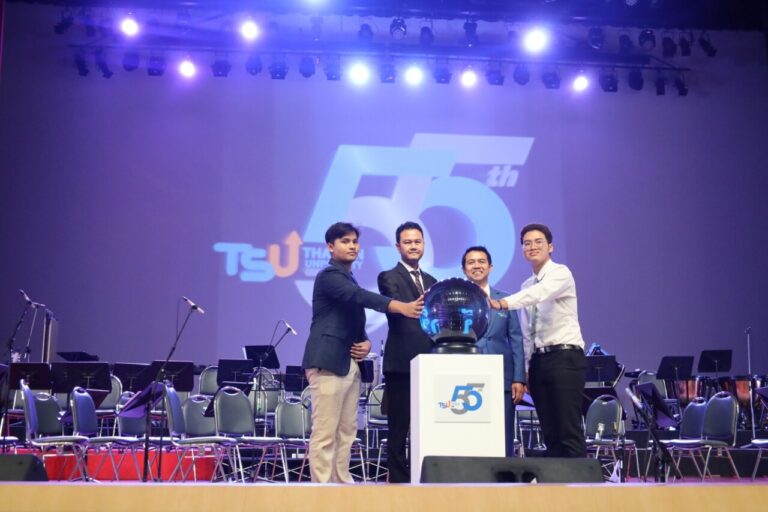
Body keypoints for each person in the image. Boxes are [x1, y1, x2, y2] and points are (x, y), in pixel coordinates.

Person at [302, 222, 424, 483]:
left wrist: (366, 342)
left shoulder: (348, 277)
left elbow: (352, 317)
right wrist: (401, 307)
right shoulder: (329, 275)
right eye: (345, 241)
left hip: (349, 363)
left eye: (355, 241)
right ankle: (321, 490)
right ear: (330, 247)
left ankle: (342, 484)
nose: (352, 246)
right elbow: (358, 296)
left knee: (347, 431)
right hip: (328, 361)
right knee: (325, 432)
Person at [489, 223, 587, 458]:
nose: (532, 246)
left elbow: (540, 293)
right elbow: (526, 333)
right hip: (539, 362)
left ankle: (580, 480)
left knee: (568, 429)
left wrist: (504, 303)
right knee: (550, 432)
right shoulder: (526, 285)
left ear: (550, 247)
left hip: (564, 357)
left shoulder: (560, 273)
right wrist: (525, 370)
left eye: (538, 242)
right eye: (527, 243)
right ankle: (557, 481)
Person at [377, 221, 438, 483]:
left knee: (429, 426)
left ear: (423, 244)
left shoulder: (433, 282)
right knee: (399, 428)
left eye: (417, 241)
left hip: (430, 363)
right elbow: (400, 309)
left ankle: (425, 478)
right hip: (402, 363)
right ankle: (399, 483)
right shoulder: (388, 277)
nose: (413, 246)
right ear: (398, 246)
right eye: (408, 242)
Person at [461, 246, 526, 457]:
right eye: (471, 262)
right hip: (467, 379)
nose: (476, 266)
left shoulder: (506, 299)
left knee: (502, 435)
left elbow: (516, 340)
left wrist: (519, 378)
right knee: (470, 435)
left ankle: (504, 475)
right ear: (464, 269)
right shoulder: (456, 301)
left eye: (481, 261)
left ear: (490, 267)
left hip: (502, 378)